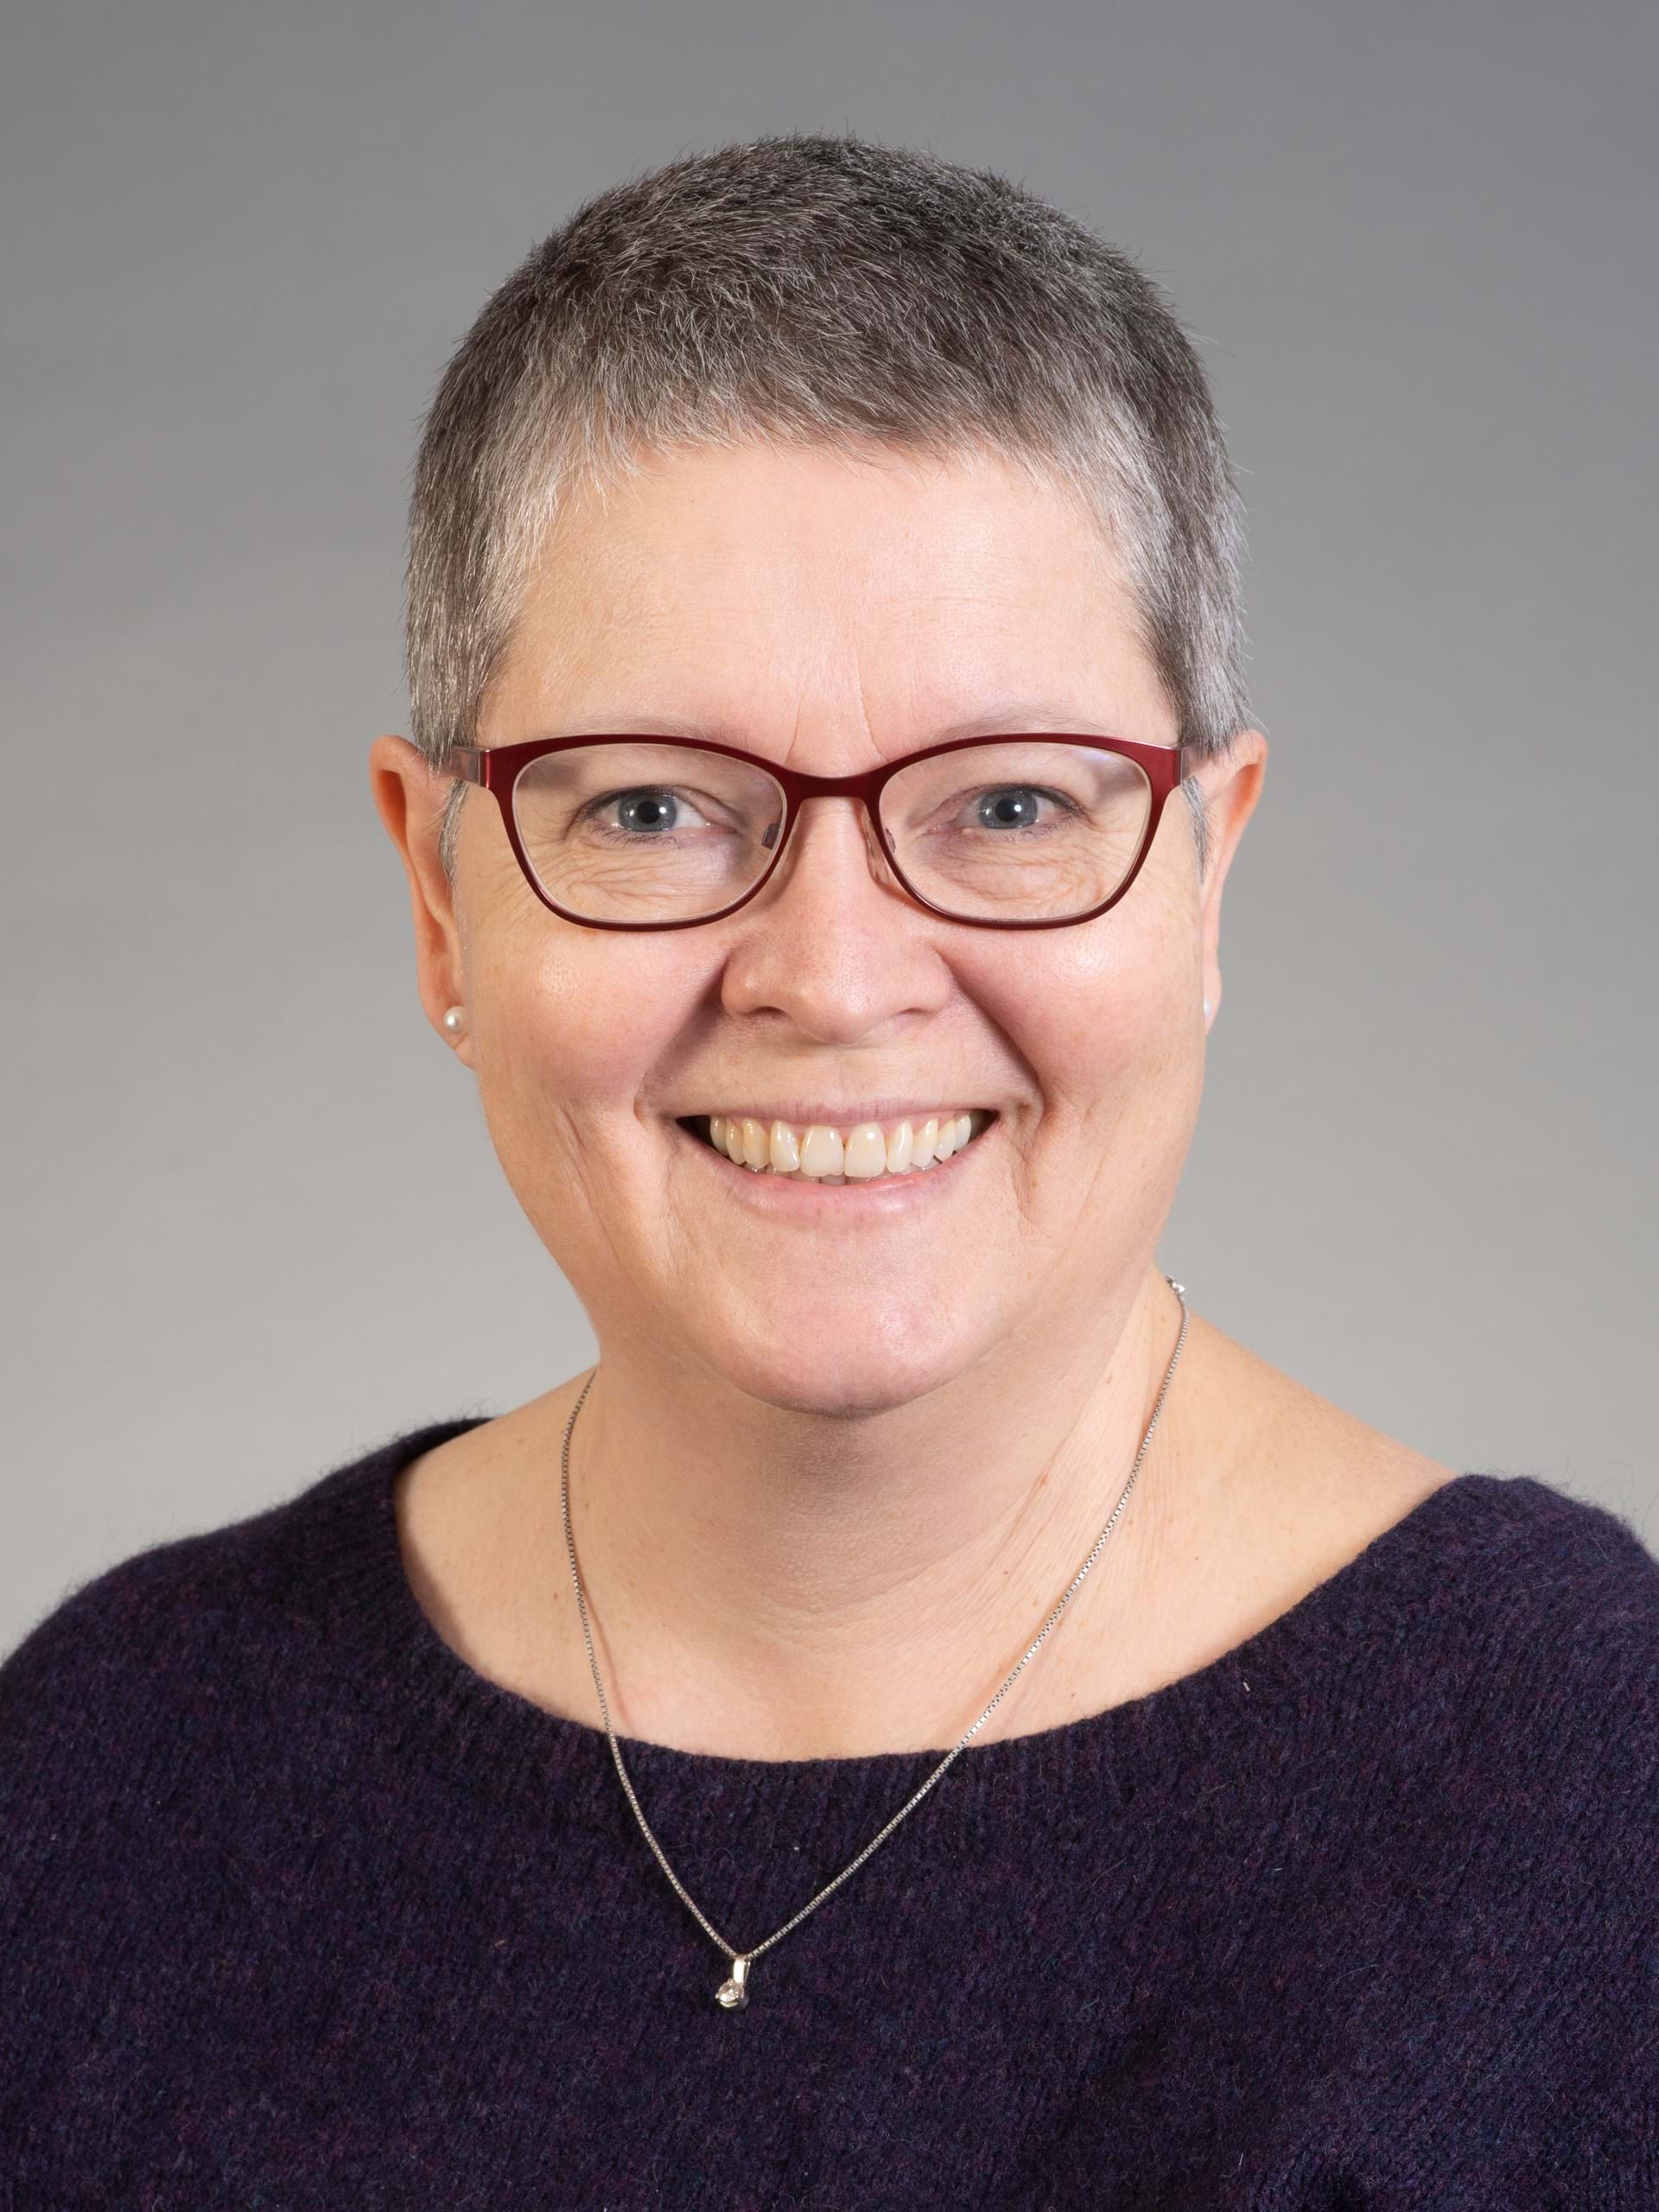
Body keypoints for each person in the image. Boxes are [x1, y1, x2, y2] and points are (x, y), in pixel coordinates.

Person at [3, 130, 1655, 2207]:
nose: (839, 976)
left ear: (1205, 873)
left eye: (1012, 805)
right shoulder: (109, 1765)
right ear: (438, 898)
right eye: (653, 809)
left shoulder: (1592, 1792)